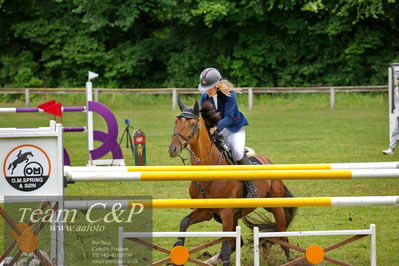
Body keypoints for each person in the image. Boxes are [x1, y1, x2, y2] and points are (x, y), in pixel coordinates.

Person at [198, 67, 257, 197]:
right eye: (205, 88)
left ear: (217, 85)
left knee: (236, 152)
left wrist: (216, 128)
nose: (207, 91)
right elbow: (203, 116)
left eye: (209, 88)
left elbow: (229, 117)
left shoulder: (229, 95)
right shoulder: (204, 97)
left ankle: (251, 186)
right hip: (217, 131)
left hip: (234, 129)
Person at [383, 78, 399, 155]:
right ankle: (391, 149)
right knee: (394, 131)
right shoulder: (396, 89)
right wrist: (396, 111)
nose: (398, 82)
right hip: (398, 114)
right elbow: (396, 101)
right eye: (397, 81)